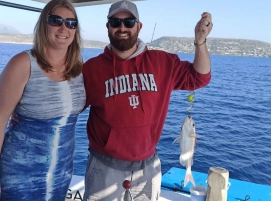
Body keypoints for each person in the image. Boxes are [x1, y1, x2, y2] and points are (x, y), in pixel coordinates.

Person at [82, 0, 212, 200]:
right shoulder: (91, 69)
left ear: (139, 26)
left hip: (148, 167)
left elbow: (199, 77)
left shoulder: (162, 62)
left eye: (129, 22)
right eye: (115, 22)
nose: (122, 27)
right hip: (104, 167)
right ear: (108, 26)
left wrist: (200, 41)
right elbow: (68, 107)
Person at [0, 0, 85, 200]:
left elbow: (70, 106)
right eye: (56, 21)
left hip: (60, 173)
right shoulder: (22, 64)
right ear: (43, 25)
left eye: (71, 23)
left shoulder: (78, 66)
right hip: (19, 174)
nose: (64, 27)